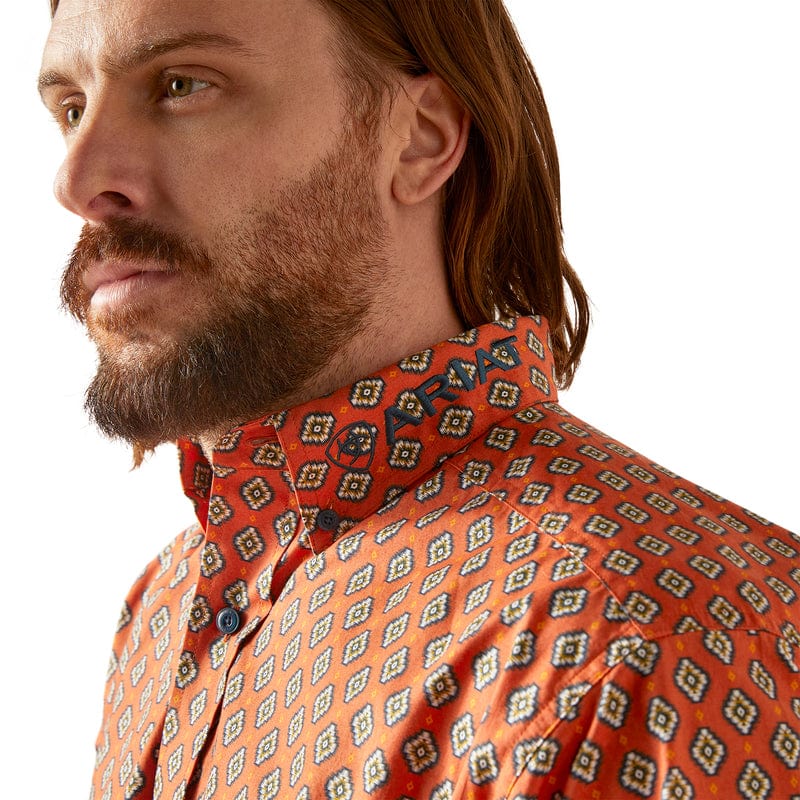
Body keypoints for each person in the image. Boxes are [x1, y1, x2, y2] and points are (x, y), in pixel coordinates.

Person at [39, 1, 799, 798]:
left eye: (182, 84)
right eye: (72, 108)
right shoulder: (160, 613)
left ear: (421, 138)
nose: (77, 181)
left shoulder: (651, 641)